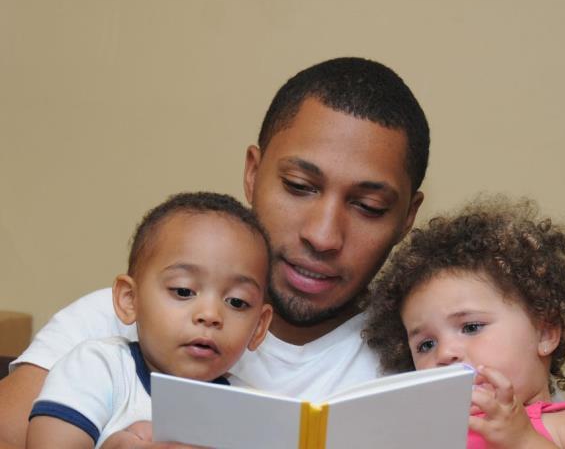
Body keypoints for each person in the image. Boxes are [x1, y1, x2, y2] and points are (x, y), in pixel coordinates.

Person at [0, 56, 429, 448]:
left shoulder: (422, 357)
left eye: (368, 207)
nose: (322, 235)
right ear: (253, 173)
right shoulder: (116, 322)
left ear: (407, 216)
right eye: (299, 187)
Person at [364, 196, 565, 448]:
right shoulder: (432, 437)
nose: (445, 354)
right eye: (426, 345)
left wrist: (523, 441)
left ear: (545, 333)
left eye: (471, 327)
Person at [26, 192, 273, 448]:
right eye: (183, 291)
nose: (210, 315)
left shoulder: (249, 412)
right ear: (130, 299)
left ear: (258, 327)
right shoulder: (98, 369)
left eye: (237, 302)